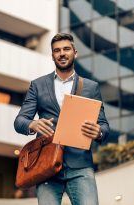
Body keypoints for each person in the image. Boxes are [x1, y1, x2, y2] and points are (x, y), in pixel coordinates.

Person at [14, 33, 110, 205]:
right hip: (46, 166)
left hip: (81, 166)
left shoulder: (91, 87)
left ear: (75, 52)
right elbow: (19, 121)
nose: (62, 53)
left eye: (66, 49)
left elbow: (104, 125)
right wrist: (32, 124)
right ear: (52, 56)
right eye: (57, 50)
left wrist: (99, 132)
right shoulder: (38, 85)